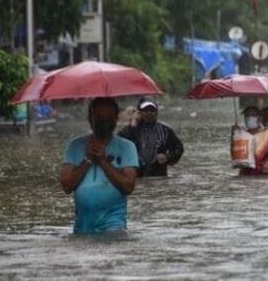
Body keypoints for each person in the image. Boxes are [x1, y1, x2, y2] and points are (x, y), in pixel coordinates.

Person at [59, 97, 138, 235]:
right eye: (99, 117)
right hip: (82, 225)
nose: (104, 122)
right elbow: (66, 186)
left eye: (108, 118)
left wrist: (103, 161)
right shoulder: (75, 146)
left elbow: (128, 186)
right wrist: (88, 159)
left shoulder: (127, 147)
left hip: (114, 224)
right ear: (90, 119)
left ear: (116, 119)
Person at [118, 98, 184, 177]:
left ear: (156, 113)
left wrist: (167, 157)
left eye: (152, 110)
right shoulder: (130, 130)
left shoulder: (165, 131)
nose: (149, 113)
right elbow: (118, 146)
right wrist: (132, 126)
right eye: (145, 110)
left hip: (158, 175)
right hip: (135, 174)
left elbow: (178, 148)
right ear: (139, 112)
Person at [234, 106, 268, 175]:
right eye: (247, 115)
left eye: (252, 115)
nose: (249, 118)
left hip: (265, 173)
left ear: (259, 118)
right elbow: (237, 158)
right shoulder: (242, 135)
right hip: (246, 174)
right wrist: (235, 135)